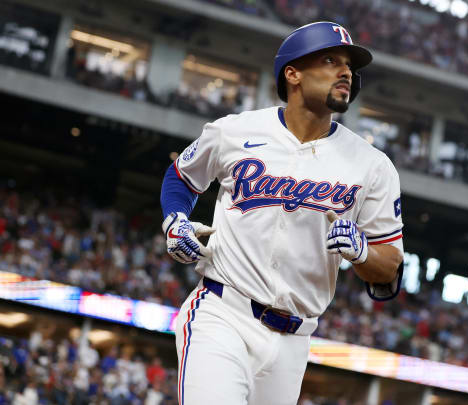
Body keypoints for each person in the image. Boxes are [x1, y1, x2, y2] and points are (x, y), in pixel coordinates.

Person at [159, 21, 404, 405]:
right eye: (330, 60)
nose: (346, 72)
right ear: (293, 73)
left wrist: (362, 252)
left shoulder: (373, 166)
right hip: (224, 314)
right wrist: (175, 220)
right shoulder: (235, 131)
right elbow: (181, 177)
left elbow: (389, 268)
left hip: (294, 342)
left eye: (349, 67)